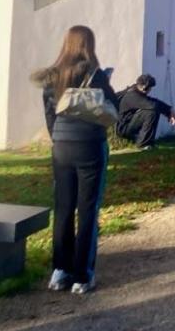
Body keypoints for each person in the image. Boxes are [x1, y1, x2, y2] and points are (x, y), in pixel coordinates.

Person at [32, 25, 118, 294]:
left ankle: (60, 271)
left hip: (62, 145)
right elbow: (112, 106)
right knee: (88, 209)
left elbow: (49, 113)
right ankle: (83, 275)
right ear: (88, 45)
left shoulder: (53, 75)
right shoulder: (94, 74)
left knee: (64, 209)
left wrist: (58, 137)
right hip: (90, 144)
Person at [115, 74, 175, 149]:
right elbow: (152, 104)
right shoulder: (132, 95)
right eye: (150, 88)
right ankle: (144, 144)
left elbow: (152, 101)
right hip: (123, 128)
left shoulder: (135, 90)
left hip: (128, 124)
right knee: (151, 112)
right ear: (145, 88)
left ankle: (145, 142)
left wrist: (169, 111)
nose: (149, 91)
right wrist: (169, 110)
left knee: (152, 110)